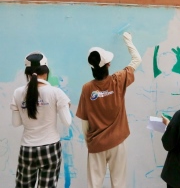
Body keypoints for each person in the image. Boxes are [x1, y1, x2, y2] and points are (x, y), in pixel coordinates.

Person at [76, 32, 142, 188]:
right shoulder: (118, 79)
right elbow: (137, 60)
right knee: (119, 183)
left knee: (94, 184)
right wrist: (128, 40)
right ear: (108, 65)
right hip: (117, 142)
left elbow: (84, 121)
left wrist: (89, 142)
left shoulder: (87, 88)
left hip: (96, 144)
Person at [10, 52, 71, 187]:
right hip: (51, 148)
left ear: (27, 72)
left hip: (27, 149)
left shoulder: (18, 93)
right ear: (46, 71)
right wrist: (65, 106)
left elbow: (16, 123)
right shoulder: (56, 92)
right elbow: (67, 122)